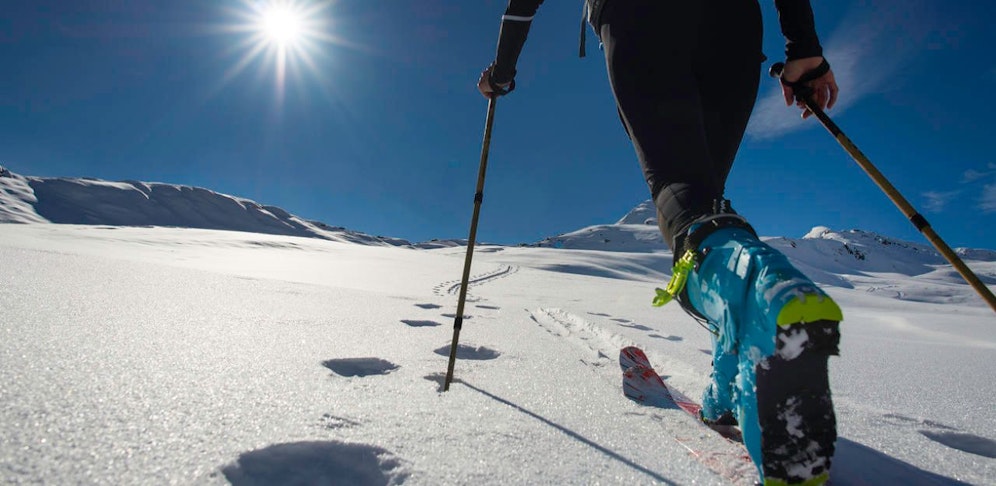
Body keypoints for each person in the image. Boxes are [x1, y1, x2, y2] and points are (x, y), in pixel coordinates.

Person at [478, 1, 843, 485]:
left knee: (685, 198)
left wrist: (502, 70)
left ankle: (762, 300)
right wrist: (804, 49)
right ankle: (727, 390)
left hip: (640, 16)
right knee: (705, 201)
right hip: (733, 27)